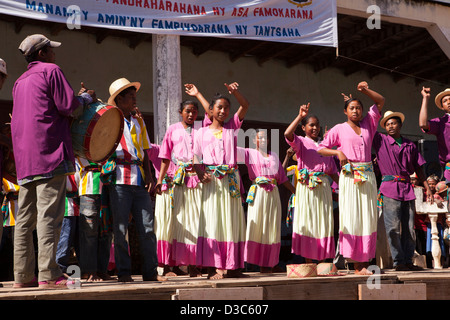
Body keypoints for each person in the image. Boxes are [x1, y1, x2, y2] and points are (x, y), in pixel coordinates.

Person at [11, 34, 95, 289]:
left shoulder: (18, 81)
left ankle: (22, 277)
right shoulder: (51, 71)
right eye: (50, 50)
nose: (54, 54)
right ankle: (48, 274)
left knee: (24, 221)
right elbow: (69, 106)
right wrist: (87, 98)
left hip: (25, 160)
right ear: (41, 54)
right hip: (50, 153)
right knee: (49, 216)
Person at [317, 81, 385, 275]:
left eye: (358, 108)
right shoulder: (338, 128)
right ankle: (355, 264)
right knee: (352, 216)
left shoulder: (369, 124)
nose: (355, 111)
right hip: (349, 176)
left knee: (367, 217)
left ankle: (364, 262)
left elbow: (380, 100)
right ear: (345, 111)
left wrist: (365, 90)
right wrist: (337, 153)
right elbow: (320, 148)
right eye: (351, 108)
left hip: (368, 175)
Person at [103, 77, 165, 282]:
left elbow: (146, 151)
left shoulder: (139, 120)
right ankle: (124, 273)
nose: (134, 99)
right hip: (119, 179)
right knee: (120, 229)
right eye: (130, 96)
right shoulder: (110, 119)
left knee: (147, 227)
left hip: (139, 179)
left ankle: (150, 272)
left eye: (134, 96)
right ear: (119, 100)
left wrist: (150, 176)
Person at [193, 82, 249, 279]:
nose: (223, 111)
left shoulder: (232, 127)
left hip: (230, 181)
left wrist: (235, 92)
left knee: (232, 221)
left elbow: (245, 106)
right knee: (212, 221)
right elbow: (195, 158)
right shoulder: (201, 132)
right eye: (219, 107)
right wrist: (200, 173)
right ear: (211, 110)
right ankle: (212, 267)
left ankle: (233, 267)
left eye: (226, 107)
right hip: (211, 182)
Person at [373, 110, 432, 271]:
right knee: (392, 228)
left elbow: (419, 169)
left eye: (394, 123)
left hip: (407, 188)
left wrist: (428, 188)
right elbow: (367, 126)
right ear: (384, 127)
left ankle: (407, 260)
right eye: (387, 124)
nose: (391, 126)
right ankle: (398, 261)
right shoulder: (380, 140)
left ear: (400, 125)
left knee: (409, 227)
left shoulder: (410, 145)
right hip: (389, 187)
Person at [156, 98, 204, 277]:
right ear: (180, 112)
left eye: (194, 111)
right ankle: (171, 265)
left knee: (196, 222)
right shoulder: (172, 130)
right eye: (187, 111)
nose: (191, 114)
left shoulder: (201, 130)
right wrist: (160, 180)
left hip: (196, 180)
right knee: (177, 222)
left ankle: (193, 265)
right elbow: (165, 157)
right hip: (177, 181)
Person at [284, 103, 338, 263]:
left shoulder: (325, 146)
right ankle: (309, 261)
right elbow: (287, 133)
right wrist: (300, 116)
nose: (315, 128)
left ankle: (322, 261)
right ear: (303, 127)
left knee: (323, 221)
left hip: (323, 188)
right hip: (307, 187)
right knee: (308, 220)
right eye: (311, 125)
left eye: (317, 125)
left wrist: (345, 187)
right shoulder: (300, 142)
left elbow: (333, 172)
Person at [239, 129, 295, 273]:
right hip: (259, 193)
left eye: (265, 138)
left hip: (273, 193)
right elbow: (230, 148)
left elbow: (281, 177)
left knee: (273, 227)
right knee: (258, 226)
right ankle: (256, 263)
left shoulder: (274, 155)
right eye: (260, 138)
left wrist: (296, 192)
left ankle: (271, 262)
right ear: (253, 140)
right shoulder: (248, 153)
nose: (263, 140)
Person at [76, 156, 113, 282]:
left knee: (106, 231)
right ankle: (90, 271)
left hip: (109, 186)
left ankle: (102, 270)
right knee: (89, 232)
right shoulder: (80, 140)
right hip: (89, 186)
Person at [147, 143, 179, 276]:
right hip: (164, 193)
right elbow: (144, 145)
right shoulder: (158, 150)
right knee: (164, 227)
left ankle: (177, 265)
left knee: (177, 228)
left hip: (180, 191)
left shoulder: (182, 150)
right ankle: (164, 266)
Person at [419, 87, 450, 196]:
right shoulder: (440, 123)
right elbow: (423, 124)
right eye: (445, 101)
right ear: (442, 107)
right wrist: (425, 98)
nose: (448, 102)